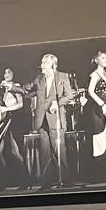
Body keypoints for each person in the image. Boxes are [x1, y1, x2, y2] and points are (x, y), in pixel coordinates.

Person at [28, 53, 76, 187]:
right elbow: (27, 90)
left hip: (56, 120)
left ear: (53, 65)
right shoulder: (39, 79)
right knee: (45, 153)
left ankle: (65, 180)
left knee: (59, 150)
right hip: (42, 121)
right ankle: (46, 183)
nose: (41, 66)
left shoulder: (62, 77)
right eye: (42, 63)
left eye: (44, 63)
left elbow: (69, 96)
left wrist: (57, 102)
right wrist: (13, 87)